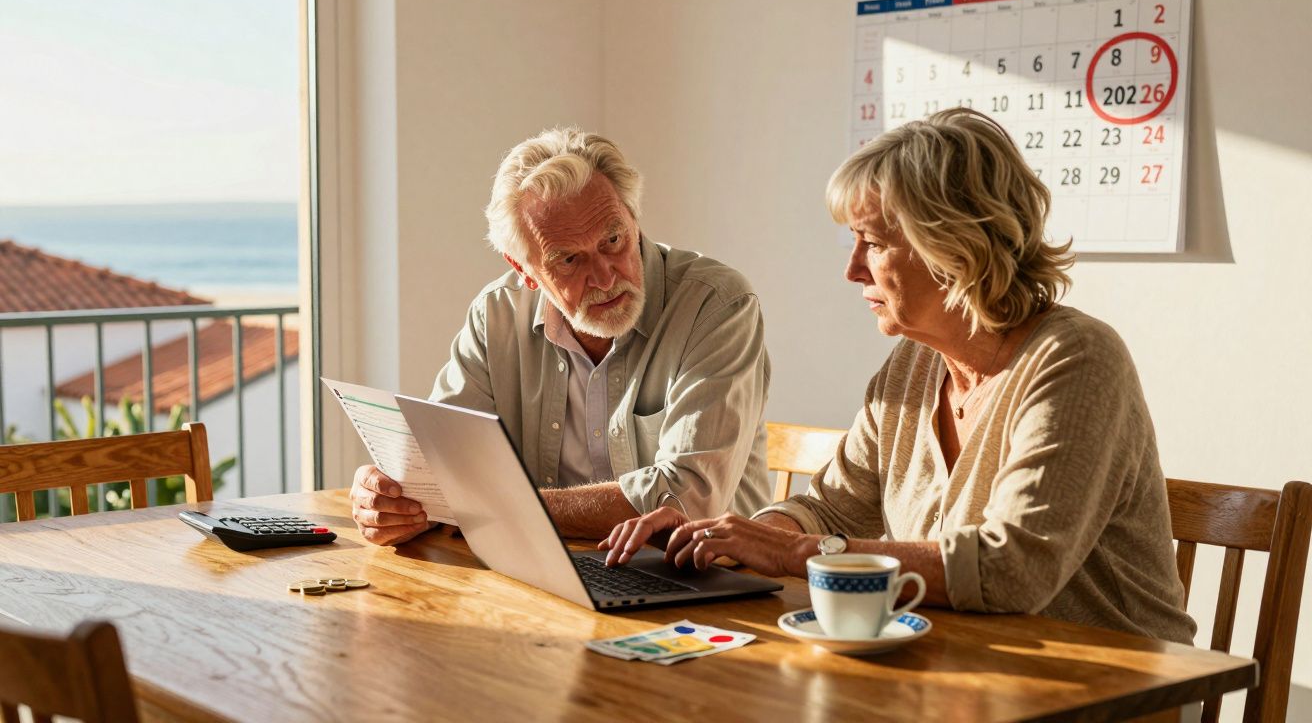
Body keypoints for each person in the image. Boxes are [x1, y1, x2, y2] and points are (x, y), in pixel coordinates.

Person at [601, 108, 1196, 643]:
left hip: (1114, 689)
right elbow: (832, 509)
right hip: (966, 673)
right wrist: (724, 540)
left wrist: (792, 552)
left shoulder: (1076, 359)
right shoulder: (915, 364)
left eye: (873, 243)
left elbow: (1012, 569)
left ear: (955, 247)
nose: (853, 270)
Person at [350, 127, 771, 546]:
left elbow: (686, 503)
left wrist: (497, 506)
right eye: (569, 259)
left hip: (704, 575)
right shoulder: (496, 315)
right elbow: (440, 466)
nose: (605, 277)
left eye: (613, 239)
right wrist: (391, 499)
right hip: (546, 566)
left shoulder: (716, 305)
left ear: (635, 220)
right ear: (524, 270)